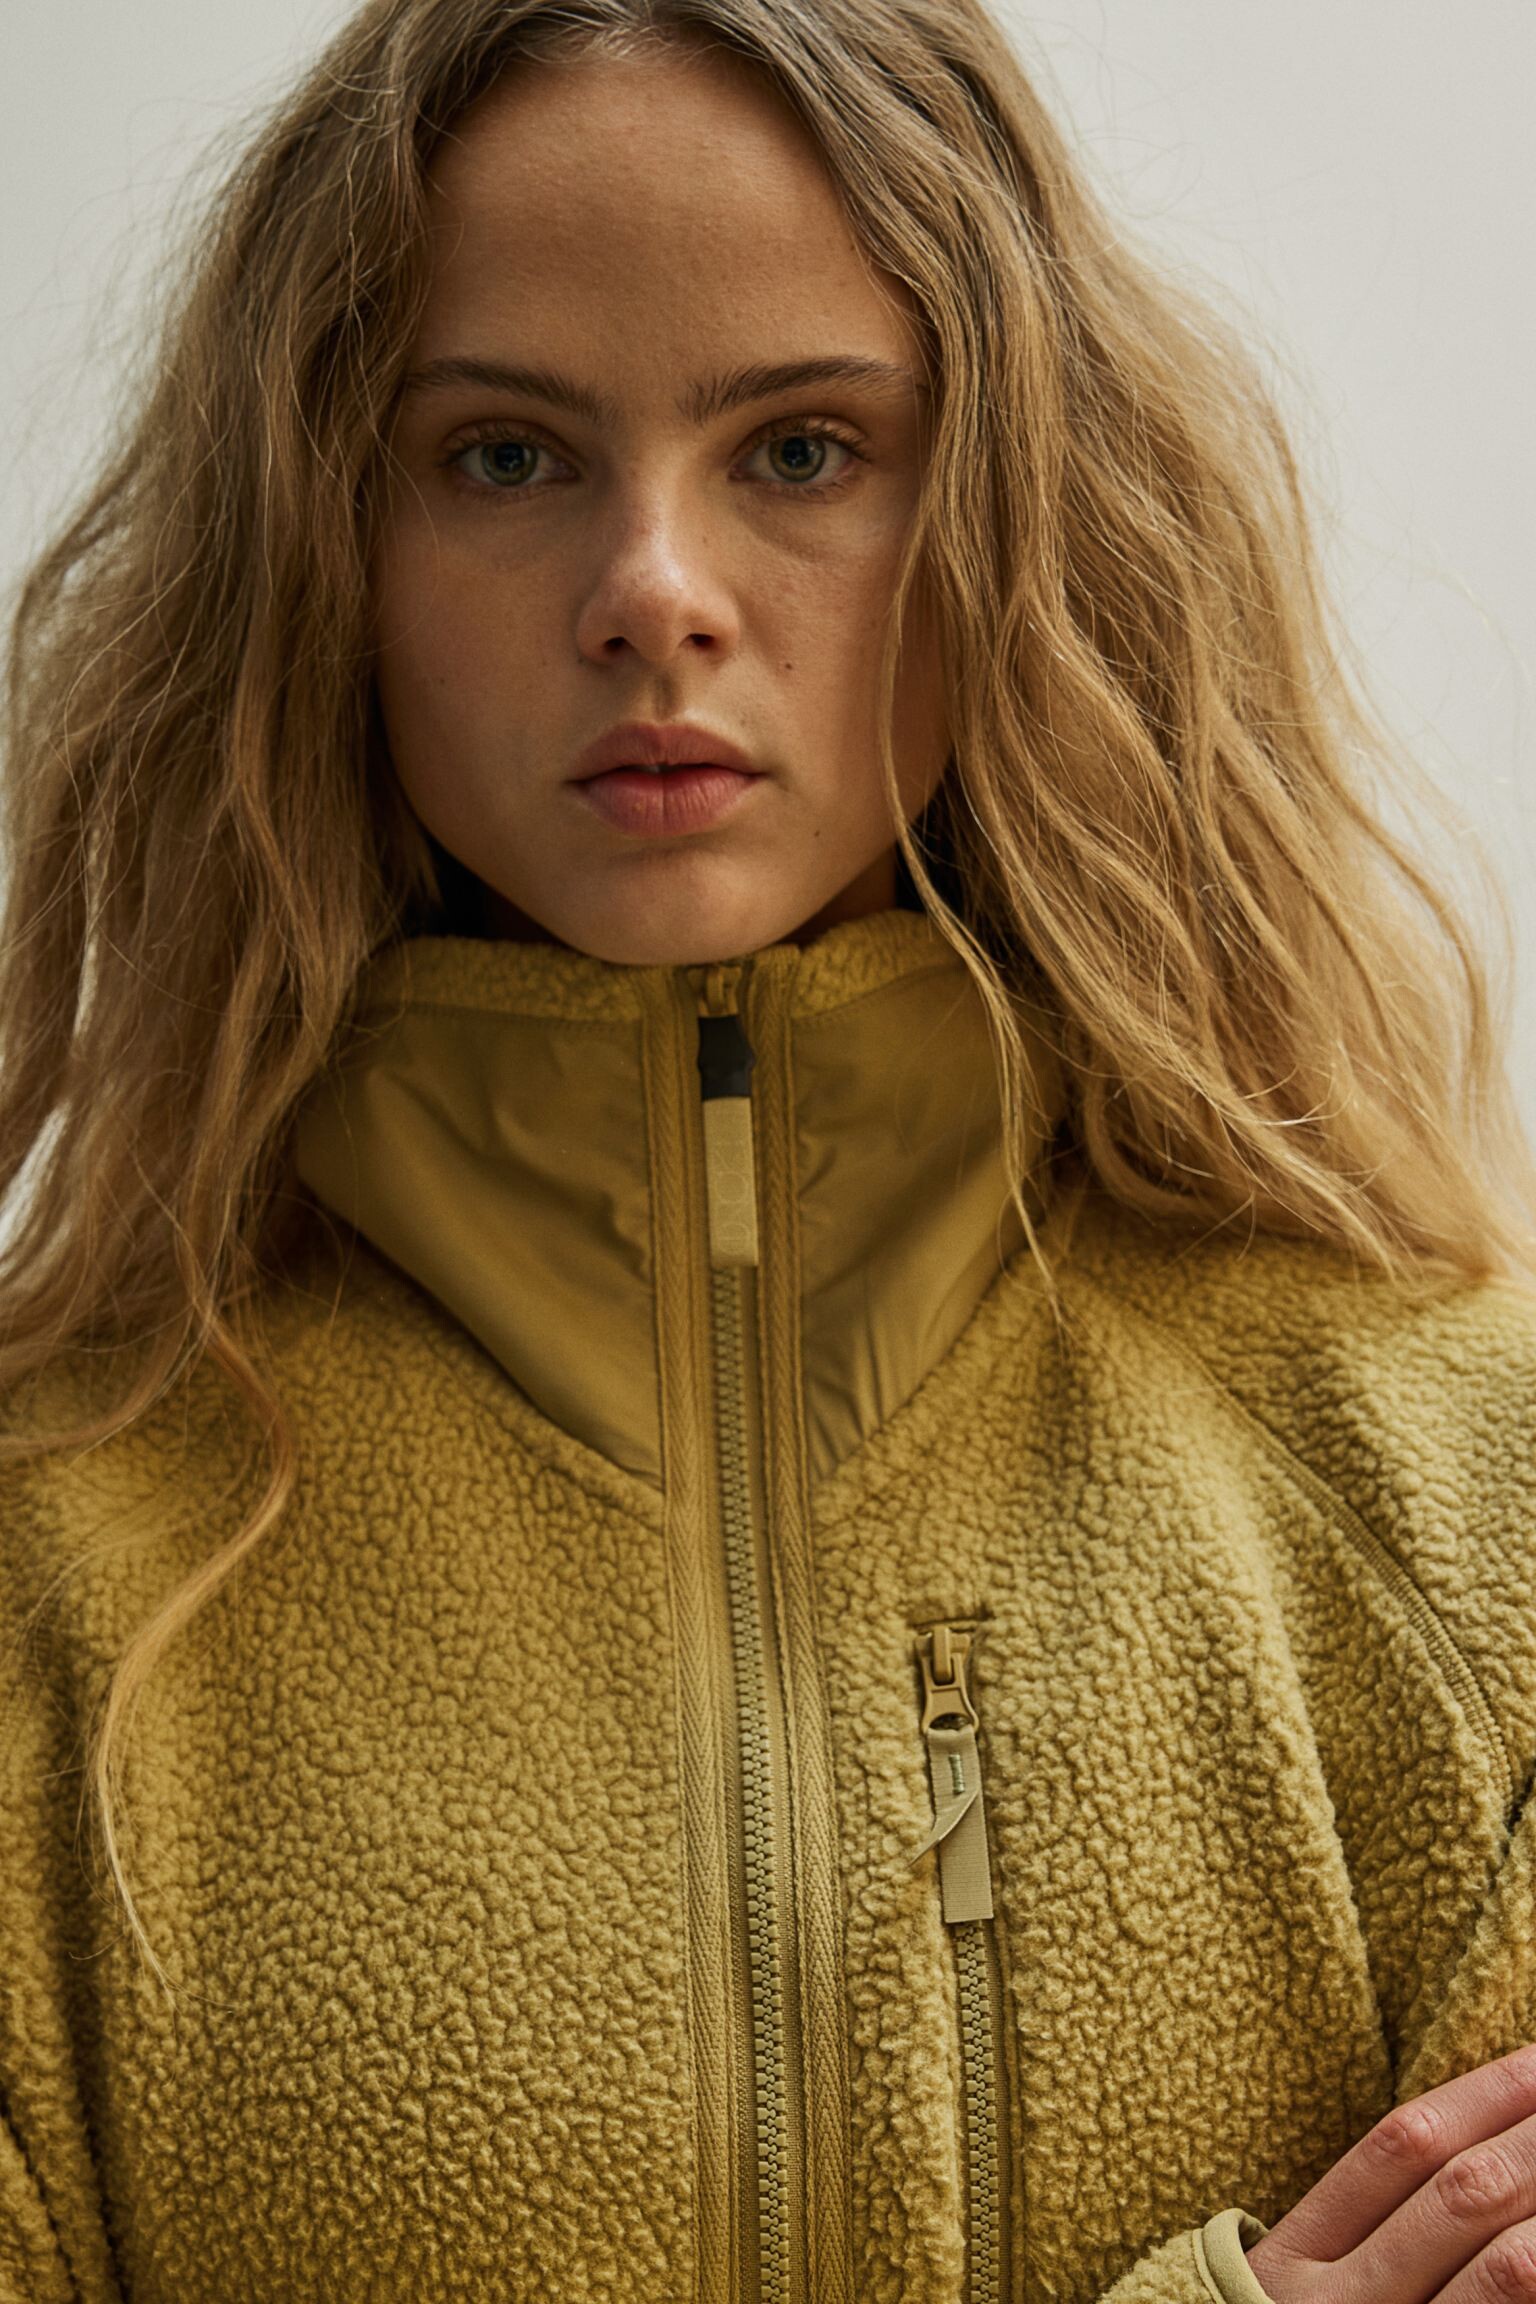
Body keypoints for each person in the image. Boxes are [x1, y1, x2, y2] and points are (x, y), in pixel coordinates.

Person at [1, 1, 1533, 2298]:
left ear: (1017, 504)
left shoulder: (1479, 1495)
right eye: (502, 456)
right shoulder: (43, 1569)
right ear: (323, 544)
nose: (655, 588)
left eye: (804, 449)